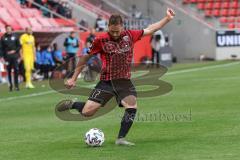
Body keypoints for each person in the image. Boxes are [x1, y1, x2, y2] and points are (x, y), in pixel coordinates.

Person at [57, 8, 175, 146]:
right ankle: (73, 104)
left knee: (131, 106)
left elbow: (150, 29)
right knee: (87, 112)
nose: (114, 34)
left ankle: (121, 139)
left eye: (117, 31)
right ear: (108, 27)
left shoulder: (130, 35)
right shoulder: (100, 40)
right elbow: (84, 58)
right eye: (112, 31)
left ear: (122, 27)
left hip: (124, 81)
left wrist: (167, 18)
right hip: (106, 81)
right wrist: (73, 78)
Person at [1, 25, 21, 91]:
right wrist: (1, 57)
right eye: (7, 29)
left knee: (16, 70)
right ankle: (10, 86)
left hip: (15, 56)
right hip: (7, 57)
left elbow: (19, 46)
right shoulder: (3, 37)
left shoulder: (15, 36)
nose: (8, 30)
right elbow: (1, 48)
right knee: (8, 71)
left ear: (11, 29)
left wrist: (15, 51)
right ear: (6, 30)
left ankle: (16, 86)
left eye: (9, 29)